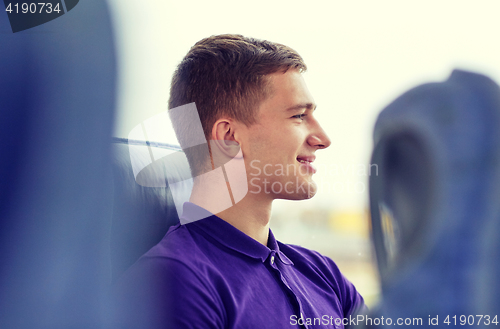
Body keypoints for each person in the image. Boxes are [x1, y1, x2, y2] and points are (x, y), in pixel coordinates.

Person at [111, 34, 366, 329]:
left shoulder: (324, 274)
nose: (323, 139)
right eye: (298, 115)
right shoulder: (171, 281)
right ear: (229, 137)